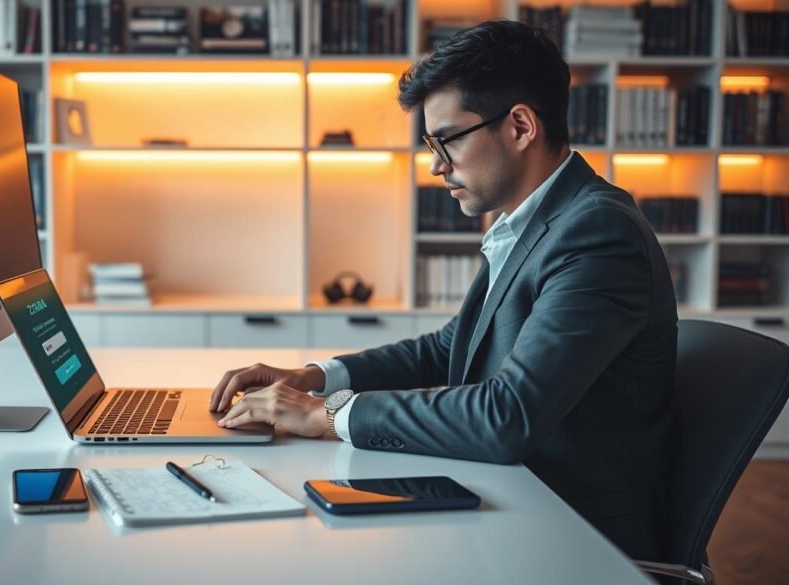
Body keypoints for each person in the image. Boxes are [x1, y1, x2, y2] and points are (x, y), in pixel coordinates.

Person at [209, 20, 677, 560]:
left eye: (447, 140)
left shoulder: (597, 232)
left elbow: (509, 415)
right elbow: (448, 347)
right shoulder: (538, 221)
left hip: (572, 534)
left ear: (520, 126)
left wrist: (326, 414)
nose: (435, 165)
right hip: (511, 493)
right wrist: (314, 377)